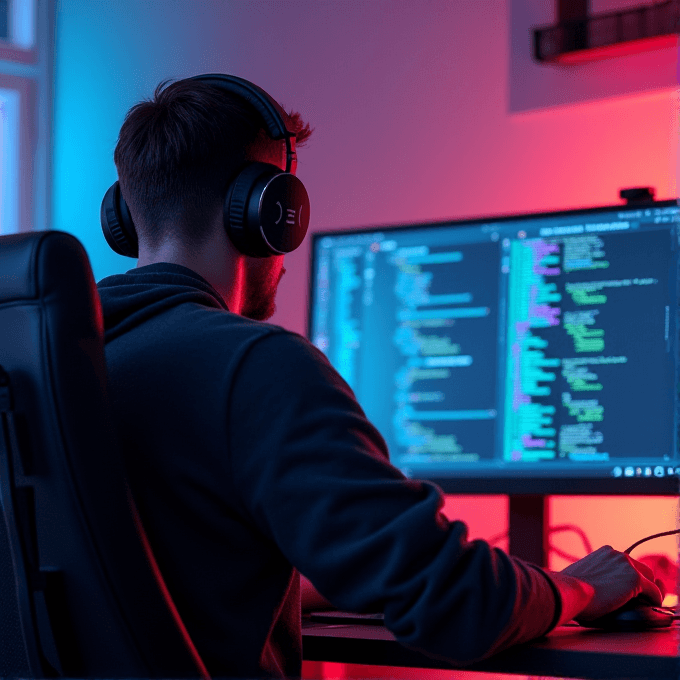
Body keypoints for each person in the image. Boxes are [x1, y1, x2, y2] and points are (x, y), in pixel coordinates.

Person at [96, 76, 664, 680]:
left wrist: (338, 577)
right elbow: (454, 605)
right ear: (271, 210)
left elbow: (165, 579)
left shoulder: (68, 353)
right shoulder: (252, 365)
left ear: (127, 217)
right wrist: (575, 589)